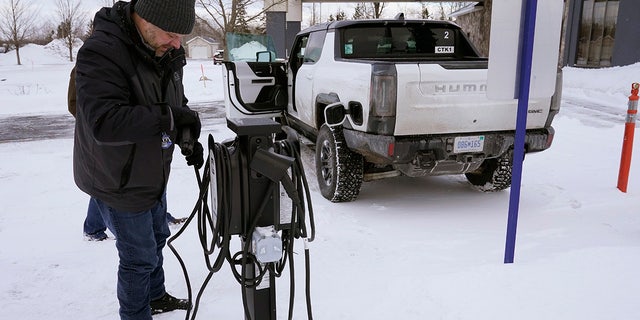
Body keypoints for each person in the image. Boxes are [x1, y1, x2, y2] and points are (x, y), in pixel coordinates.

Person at [72, 0, 203, 318]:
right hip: (116, 175)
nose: (177, 43)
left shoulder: (168, 49)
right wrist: (169, 117)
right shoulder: (101, 52)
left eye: (181, 36)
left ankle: (155, 296)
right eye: (172, 34)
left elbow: (174, 97)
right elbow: (104, 122)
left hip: (153, 168)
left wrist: (184, 130)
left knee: (158, 236)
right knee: (138, 256)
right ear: (144, 19)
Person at [68, 67, 187, 243]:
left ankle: (158, 216)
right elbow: (76, 104)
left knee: (141, 181)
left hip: (146, 143)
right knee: (107, 186)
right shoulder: (92, 62)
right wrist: (101, 127)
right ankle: (93, 228)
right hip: (111, 147)